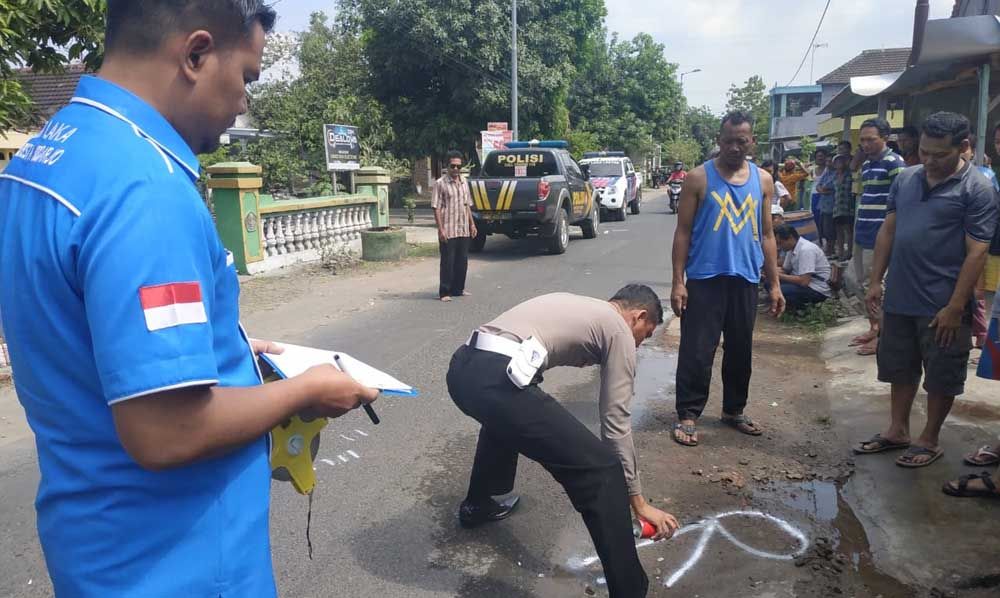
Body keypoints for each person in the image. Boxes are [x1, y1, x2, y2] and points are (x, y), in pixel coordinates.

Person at [0, 2, 381, 596]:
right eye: (248, 77)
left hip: (93, 542)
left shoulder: (49, 154)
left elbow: (85, 330)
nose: (245, 103)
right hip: (177, 561)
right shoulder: (145, 189)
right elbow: (168, 431)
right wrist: (304, 390)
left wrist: (221, 345)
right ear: (196, 54)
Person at [447, 285, 679, 598]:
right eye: (645, 335)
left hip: (463, 368)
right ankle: (631, 590)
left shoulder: (582, 304)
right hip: (496, 378)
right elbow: (615, 423)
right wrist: (638, 502)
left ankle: (477, 505)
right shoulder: (618, 330)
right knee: (602, 472)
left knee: (504, 417)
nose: (637, 345)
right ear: (638, 317)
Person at [855, 112, 998, 468]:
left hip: (943, 302)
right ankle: (897, 430)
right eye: (925, 152)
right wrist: (876, 280)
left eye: (940, 155)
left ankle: (929, 438)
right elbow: (889, 229)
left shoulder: (977, 190)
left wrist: (955, 306)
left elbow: (977, 251)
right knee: (899, 366)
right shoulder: (906, 179)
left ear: (963, 147)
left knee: (942, 372)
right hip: (901, 294)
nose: (930, 161)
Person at [670, 110, 784, 447]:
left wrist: (774, 283)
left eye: (742, 140)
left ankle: (733, 410)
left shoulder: (762, 180)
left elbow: (767, 234)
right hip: (705, 278)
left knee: (740, 349)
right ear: (719, 141)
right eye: (729, 140)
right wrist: (678, 281)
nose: (735, 147)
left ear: (752, 141)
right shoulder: (697, 178)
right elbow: (683, 232)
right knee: (697, 350)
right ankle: (688, 414)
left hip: (745, 279)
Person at [851, 118, 906, 356]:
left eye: (871, 139)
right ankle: (874, 327)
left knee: (876, 286)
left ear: (885, 137)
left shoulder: (895, 163)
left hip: (880, 235)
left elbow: (902, 201)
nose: (865, 144)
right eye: (862, 140)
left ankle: (884, 336)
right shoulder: (867, 165)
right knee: (858, 281)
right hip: (862, 231)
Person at [433, 150, 477, 302]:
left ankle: (459, 289)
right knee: (447, 261)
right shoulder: (440, 184)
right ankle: (445, 292)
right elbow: (436, 207)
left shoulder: (465, 182)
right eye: (453, 166)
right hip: (448, 228)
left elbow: (467, 205)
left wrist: (472, 224)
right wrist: (441, 229)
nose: (456, 169)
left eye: (459, 166)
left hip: (463, 227)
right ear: (447, 166)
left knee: (462, 260)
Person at [775, 225, 832, 310]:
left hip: (816, 288)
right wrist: (770, 272)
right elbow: (785, 269)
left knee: (781, 290)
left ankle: (803, 309)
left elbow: (804, 281)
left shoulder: (806, 250)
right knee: (770, 283)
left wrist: (777, 275)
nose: (779, 247)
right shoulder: (791, 249)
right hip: (804, 282)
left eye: (780, 243)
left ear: (790, 238)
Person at [811, 148, 836, 256]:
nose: (820, 158)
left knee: (829, 226)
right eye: (818, 156)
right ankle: (821, 244)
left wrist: (824, 190)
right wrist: (822, 190)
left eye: (822, 156)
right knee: (819, 223)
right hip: (818, 199)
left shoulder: (832, 172)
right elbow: (818, 186)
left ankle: (830, 248)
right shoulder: (817, 170)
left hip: (831, 202)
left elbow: (830, 187)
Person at [832, 153, 856, 261]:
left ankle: (849, 252)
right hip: (837, 207)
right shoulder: (834, 176)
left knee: (848, 230)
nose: (839, 163)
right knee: (839, 231)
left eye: (841, 161)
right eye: (837, 162)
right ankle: (840, 252)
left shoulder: (849, 174)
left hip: (847, 206)